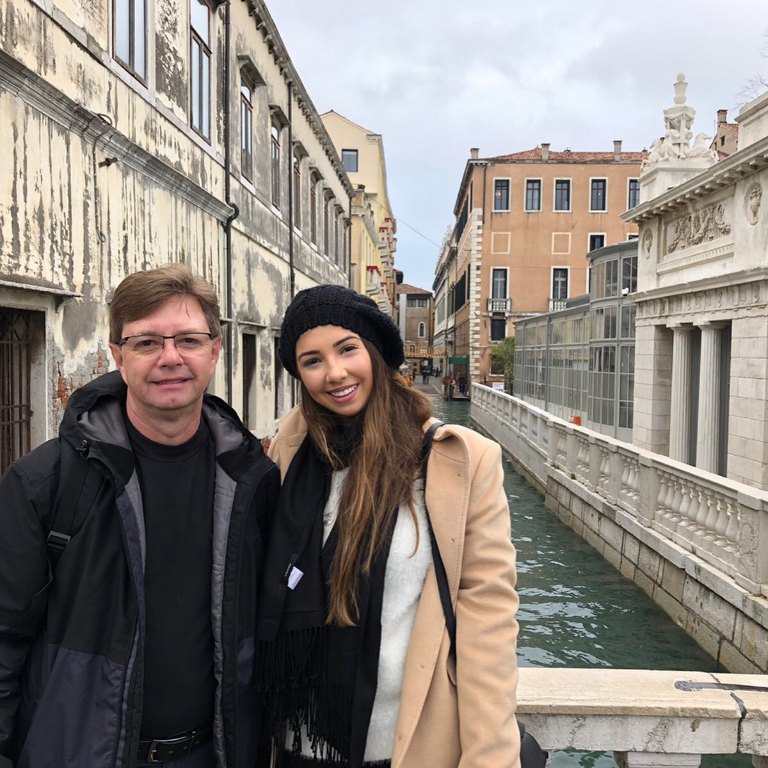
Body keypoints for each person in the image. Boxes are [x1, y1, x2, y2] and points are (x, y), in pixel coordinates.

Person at [0, 264, 279, 768]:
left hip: (212, 754)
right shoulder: (43, 483)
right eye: (147, 342)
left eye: (188, 340)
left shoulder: (252, 479)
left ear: (215, 351)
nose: (170, 357)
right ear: (117, 356)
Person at [256, 285, 520, 768]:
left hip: (404, 747)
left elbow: (488, 625)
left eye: (347, 349)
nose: (334, 373)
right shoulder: (290, 449)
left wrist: (491, 756)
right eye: (311, 360)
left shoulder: (457, 463)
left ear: (376, 353)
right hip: (294, 744)